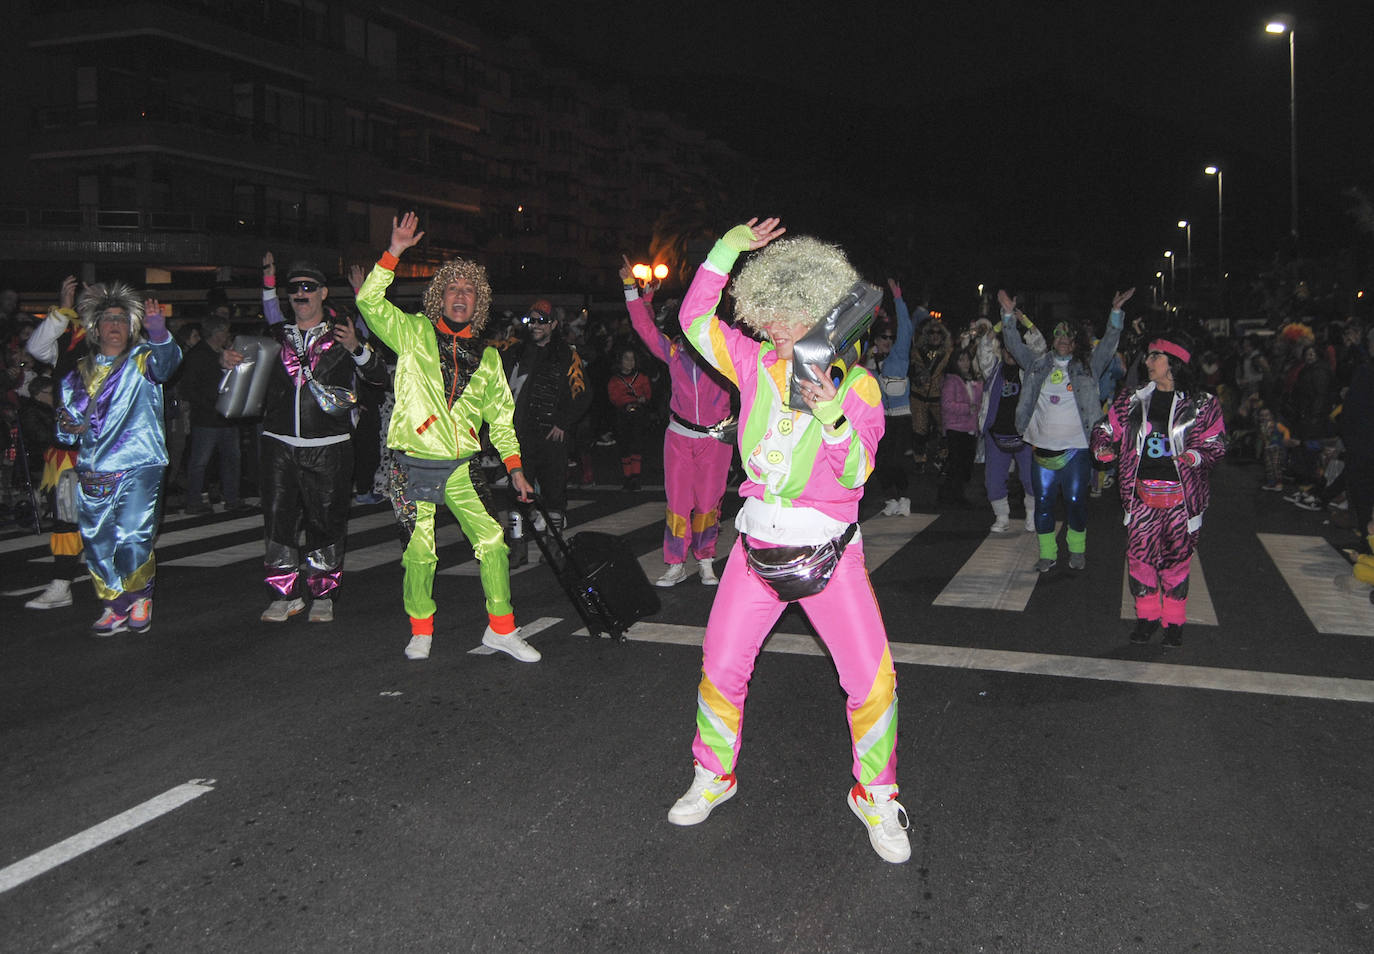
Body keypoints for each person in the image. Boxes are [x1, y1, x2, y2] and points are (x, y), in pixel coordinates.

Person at [666, 217, 908, 865]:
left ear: (826, 313)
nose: (776, 324)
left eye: (792, 313)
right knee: (720, 670)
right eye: (767, 311)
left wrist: (830, 412)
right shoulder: (747, 361)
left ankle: (876, 793)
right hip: (754, 551)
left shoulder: (856, 386)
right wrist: (724, 251)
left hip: (830, 556)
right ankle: (713, 774)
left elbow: (857, 473)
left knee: (872, 683)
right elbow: (692, 322)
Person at [354, 212, 540, 663]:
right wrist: (394, 251)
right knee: (420, 552)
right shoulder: (413, 333)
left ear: (479, 303)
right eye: (453, 289)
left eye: (470, 291)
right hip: (411, 463)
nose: (461, 296)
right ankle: (421, 627)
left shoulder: (491, 360)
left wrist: (515, 469)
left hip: (461, 466)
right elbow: (369, 302)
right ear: (441, 297)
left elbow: (501, 422)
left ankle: (502, 628)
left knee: (493, 542)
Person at [227, 257, 389, 625]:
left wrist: (357, 350)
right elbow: (243, 370)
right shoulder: (274, 336)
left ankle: (323, 593)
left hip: (328, 447)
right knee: (278, 523)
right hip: (278, 446)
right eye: (295, 288)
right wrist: (230, 361)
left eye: (308, 287)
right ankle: (282, 595)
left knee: (326, 523)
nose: (301, 294)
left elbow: (379, 377)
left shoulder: (342, 334)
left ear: (322, 293)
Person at [56, 284, 181, 635]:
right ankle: (114, 604)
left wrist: (159, 332)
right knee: (97, 543)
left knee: (133, 534)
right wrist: (68, 426)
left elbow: (167, 365)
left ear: (131, 327)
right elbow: (66, 431)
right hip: (94, 470)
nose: (114, 325)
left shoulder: (143, 360)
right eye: (108, 319)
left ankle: (140, 596)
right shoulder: (77, 373)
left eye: (121, 320)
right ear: (95, 328)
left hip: (140, 463)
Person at [1092, 331, 1225, 647]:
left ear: (1173, 364)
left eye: (1155, 356)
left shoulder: (1203, 404)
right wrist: (1102, 448)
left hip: (1182, 500)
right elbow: (1104, 428)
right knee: (1140, 559)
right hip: (1141, 497)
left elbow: (1217, 444)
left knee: (1177, 562)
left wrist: (1194, 456)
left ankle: (1174, 622)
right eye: (1148, 355)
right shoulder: (1131, 399)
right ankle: (1147, 618)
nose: (1148, 361)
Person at [999, 287, 1131, 572]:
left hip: (1077, 449)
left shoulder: (1089, 366)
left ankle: (1077, 549)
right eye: (1058, 334)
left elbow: (1109, 344)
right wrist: (1008, 316)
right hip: (1042, 448)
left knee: (1075, 502)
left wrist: (1116, 313)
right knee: (1044, 503)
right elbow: (1013, 343)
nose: (1062, 340)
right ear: (1052, 339)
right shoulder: (1036, 365)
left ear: (1075, 342)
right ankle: (1047, 553)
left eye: (1068, 336)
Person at [621, 256, 734, 586]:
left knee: (709, 503)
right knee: (679, 504)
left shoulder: (726, 354)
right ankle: (675, 562)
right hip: (680, 437)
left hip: (715, 439)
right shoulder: (673, 352)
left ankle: (706, 559)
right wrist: (633, 290)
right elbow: (644, 327)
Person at [500, 297, 590, 566]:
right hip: (520, 436)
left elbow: (583, 392)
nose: (535, 325)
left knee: (554, 492)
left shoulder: (567, 354)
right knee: (517, 492)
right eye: (531, 320)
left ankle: (553, 543)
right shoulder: (515, 351)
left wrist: (563, 422)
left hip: (552, 437)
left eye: (541, 321)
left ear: (553, 324)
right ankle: (517, 544)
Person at [23, 276, 87, 610]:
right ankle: (61, 584)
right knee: (66, 519)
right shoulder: (67, 339)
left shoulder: (125, 339)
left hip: (111, 449)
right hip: (69, 450)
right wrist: (63, 308)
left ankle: (124, 590)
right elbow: (35, 348)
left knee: (118, 520)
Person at [977, 310, 1044, 532]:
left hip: (1024, 437)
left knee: (1030, 479)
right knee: (993, 481)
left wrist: (1024, 320)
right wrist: (1001, 322)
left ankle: (1032, 515)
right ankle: (1002, 517)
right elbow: (984, 348)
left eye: (1013, 348)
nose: (1009, 353)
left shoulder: (1031, 371)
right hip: (997, 436)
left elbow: (1040, 346)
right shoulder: (993, 370)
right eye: (1006, 348)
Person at [179, 314, 246, 514]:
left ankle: (231, 498)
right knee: (201, 462)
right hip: (207, 417)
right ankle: (194, 501)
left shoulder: (223, 353)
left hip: (224, 416)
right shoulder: (198, 355)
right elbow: (188, 389)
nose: (227, 335)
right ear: (217, 333)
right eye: (224, 331)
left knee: (231, 459)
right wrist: (211, 403)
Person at [869, 278, 923, 516]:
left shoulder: (899, 357)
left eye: (891, 338)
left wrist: (898, 298)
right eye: (884, 338)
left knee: (899, 460)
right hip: (880, 418)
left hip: (901, 418)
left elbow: (906, 330)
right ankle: (890, 498)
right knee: (880, 460)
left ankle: (904, 496)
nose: (888, 342)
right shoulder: (868, 363)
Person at [937, 342, 982, 508]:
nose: (965, 363)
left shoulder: (973, 380)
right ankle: (953, 496)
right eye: (961, 360)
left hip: (970, 429)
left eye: (967, 360)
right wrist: (967, 408)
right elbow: (947, 404)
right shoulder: (952, 381)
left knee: (965, 465)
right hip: (956, 428)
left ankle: (951, 494)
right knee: (957, 465)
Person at [607, 345, 653, 491]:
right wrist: (625, 403)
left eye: (632, 359)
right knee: (625, 446)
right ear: (620, 361)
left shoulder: (641, 377)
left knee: (637, 444)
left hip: (638, 415)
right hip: (622, 415)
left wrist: (643, 399)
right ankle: (627, 477)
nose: (630, 362)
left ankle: (636, 476)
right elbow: (614, 397)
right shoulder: (615, 380)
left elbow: (648, 393)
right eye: (626, 359)